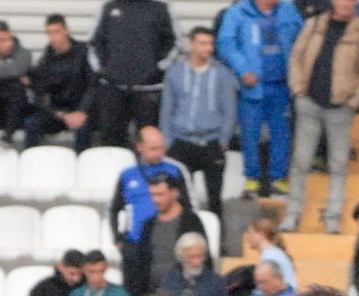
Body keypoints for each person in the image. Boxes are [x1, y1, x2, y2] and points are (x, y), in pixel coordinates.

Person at [285, 0, 359, 234]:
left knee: (338, 165)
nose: (345, 4)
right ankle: (292, 215)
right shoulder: (313, 24)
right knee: (300, 162)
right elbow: (296, 57)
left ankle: (333, 218)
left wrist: (355, 100)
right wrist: (298, 90)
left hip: (341, 108)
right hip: (309, 102)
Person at [217, 0, 299, 195]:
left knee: (282, 134)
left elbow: (303, 39)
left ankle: (279, 179)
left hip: (281, 85)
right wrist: (243, 70)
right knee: (250, 134)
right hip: (251, 87)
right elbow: (226, 44)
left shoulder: (288, 10)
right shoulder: (238, 12)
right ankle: (252, 179)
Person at [160, 29, 236, 214]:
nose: (207, 48)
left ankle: (217, 231)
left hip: (211, 142)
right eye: (203, 43)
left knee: (214, 198)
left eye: (210, 44)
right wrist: (168, 141)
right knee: (181, 198)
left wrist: (223, 140)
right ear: (191, 45)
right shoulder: (175, 72)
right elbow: (167, 108)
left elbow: (229, 109)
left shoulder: (222, 74)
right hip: (181, 141)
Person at [87, 0, 177, 147]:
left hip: (148, 90)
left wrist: (156, 70)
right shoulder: (109, 7)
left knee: (149, 142)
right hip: (114, 89)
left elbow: (174, 43)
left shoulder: (161, 7)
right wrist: (104, 70)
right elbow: (94, 43)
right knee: (111, 143)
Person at [26, 15, 94, 150]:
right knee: (31, 123)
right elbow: (39, 94)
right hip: (57, 112)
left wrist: (82, 111)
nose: (53, 37)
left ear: (66, 31)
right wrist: (59, 114)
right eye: (49, 33)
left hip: (81, 110)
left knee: (84, 128)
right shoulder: (46, 59)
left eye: (56, 32)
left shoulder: (83, 52)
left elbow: (93, 86)